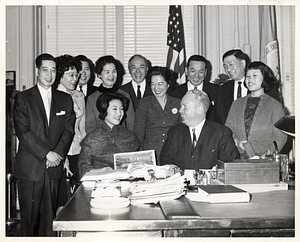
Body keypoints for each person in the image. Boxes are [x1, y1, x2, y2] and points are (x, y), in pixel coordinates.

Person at [13, 53, 75, 236]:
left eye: (53, 70)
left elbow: (68, 131)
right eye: (45, 70)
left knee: (50, 224)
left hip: (53, 168)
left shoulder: (65, 99)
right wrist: (47, 153)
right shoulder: (23, 98)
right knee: (29, 224)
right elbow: (23, 131)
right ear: (37, 71)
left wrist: (57, 154)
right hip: (31, 168)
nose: (49, 74)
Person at [160, 89, 239, 170]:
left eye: (185, 107)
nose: (180, 110)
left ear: (200, 109)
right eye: (181, 106)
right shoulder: (174, 133)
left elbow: (230, 166)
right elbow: (165, 162)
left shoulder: (221, 133)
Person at [225, 61, 287, 158]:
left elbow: (281, 136)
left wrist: (268, 154)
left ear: (265, 79)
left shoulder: (275, 105)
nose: (250, 80)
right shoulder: (237, 104)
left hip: (265, 161)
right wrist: (237, 143)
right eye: (248, 76)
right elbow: (228, 131)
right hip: (238, 159)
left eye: (255, 76)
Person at [79, 92, 140, 178]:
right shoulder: (91, 139)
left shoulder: (130, 136)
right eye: (114, 109)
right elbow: (83, 169)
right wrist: (103, 172)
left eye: (121, 109)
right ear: (104, 110)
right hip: (100, 185)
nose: (119, 113)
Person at [217, 49, 280, 124]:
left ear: (243, 64)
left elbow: (276, 117)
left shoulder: (264, 86)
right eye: (225, 66)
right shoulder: (223, 89)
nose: (228, 69)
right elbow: (219, 118)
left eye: (231, 64)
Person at [134, 66, 181, 164]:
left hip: (173, 153)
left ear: (168, 84)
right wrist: (141, 157)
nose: (156, 88)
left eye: (160, 84)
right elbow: (139, 133)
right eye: (153, 84)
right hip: (151, 154)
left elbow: (182, 133)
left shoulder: (178, 103)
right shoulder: (144, 103)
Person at [55, 54, 85, 193]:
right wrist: (63, 156)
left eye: (76, 75)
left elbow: (82, 127)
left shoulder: (79, 96)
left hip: (78, 149)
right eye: (71, 75)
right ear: (60, 75)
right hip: (62, 150)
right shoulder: (53, 97)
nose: (75, 79)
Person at [85, 55, 135, 134]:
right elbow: (90, 127)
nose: (111, 75)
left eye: (114, 71)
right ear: (99, 74)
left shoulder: (125, 95)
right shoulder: (92, 98)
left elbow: (131, 124)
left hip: (123, 140)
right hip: (99, 141)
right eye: (107, 72)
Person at [169, 55, 220, 123]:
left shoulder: (217, 91)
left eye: (201, 72)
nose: (196, 75)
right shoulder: (175, 93)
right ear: (186, 71)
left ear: (205, 72)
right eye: (193, 71)